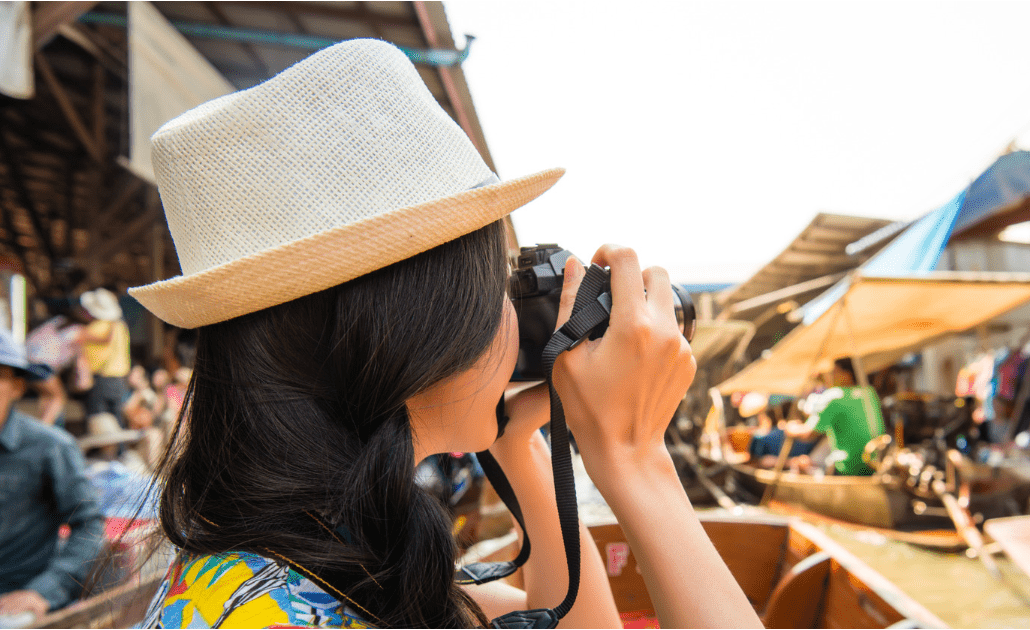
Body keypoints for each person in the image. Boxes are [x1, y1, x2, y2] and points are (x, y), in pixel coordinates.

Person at [128, 39, 762, 629]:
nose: (511, 317)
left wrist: (519, 445)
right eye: (495, 285)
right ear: (414, 325)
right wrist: (634, 456)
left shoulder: (294, 561)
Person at [0, 330, 105, 619]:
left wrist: (44, 591)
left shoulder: (50, 447)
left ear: (17, 387)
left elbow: (89, 525)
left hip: (15, 603)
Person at [787, 357, 885, 476]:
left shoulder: (835, 396)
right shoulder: (869, 392)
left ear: (847, 374)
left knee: (804, 465)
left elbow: (808, 434)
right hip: (874, 463)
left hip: (847, 468)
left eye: (835, 372)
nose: (831, 376)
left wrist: (791, 429)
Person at [76, 288, 132, 423]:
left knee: (99, 424)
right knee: (118, 423)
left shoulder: (93, 329)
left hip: (100, 381)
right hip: (119, 381)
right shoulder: (121, 327)